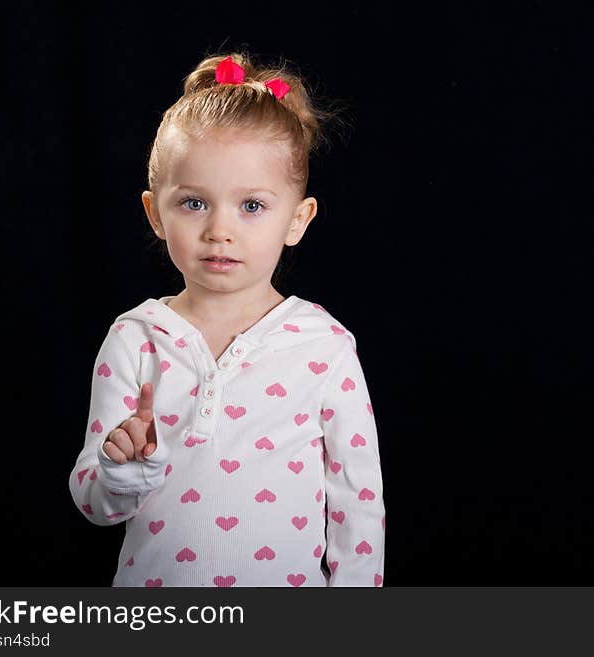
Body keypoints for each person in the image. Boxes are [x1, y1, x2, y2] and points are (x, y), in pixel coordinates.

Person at [68, 51, 385, 587]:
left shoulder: (324, 346)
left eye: (252, 206)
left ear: (297, 219)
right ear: (155, 213)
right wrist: (123, 469)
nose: (220, 229)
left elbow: (358, 504)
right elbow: (96, 505)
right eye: (194, 203)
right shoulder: (134, 338)